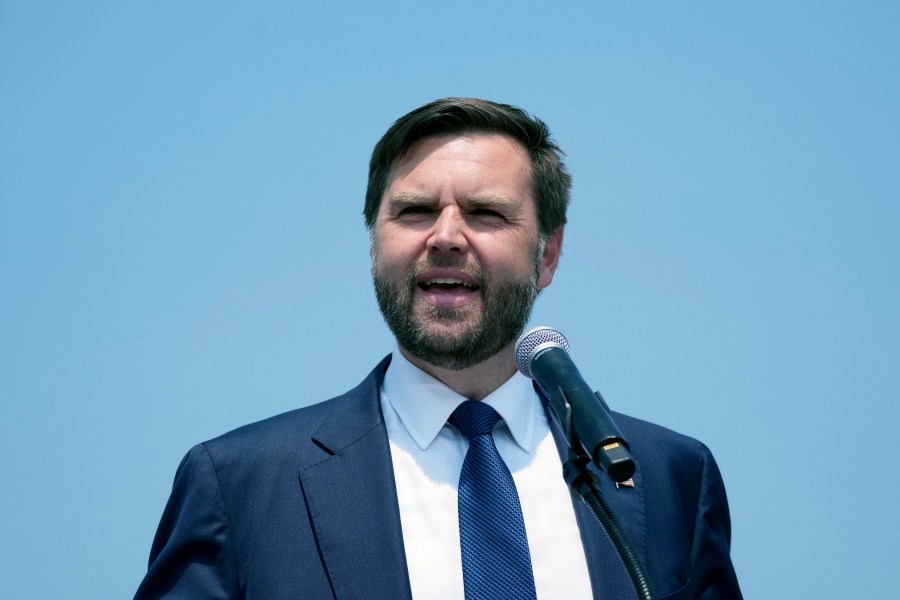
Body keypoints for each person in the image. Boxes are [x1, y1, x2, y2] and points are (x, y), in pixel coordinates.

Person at [134, 98, 742, 599]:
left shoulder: (669, 478)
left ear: (548, 255)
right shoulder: (241, 484)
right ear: (374, 244)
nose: (446, 236)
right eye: (415, 211)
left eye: (485, 213)